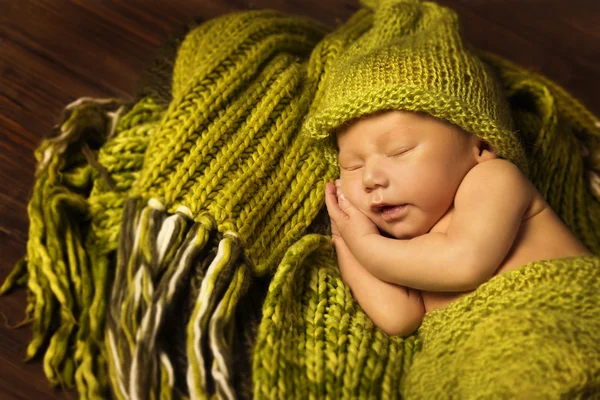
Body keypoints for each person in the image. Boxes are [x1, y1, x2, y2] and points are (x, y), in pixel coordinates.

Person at [324, 108, 593, 336]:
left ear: (482, 147)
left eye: (399, 151)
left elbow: (465, 263)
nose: (370, 178)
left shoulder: (493, 179)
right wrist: (344, 231)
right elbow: (399, 318)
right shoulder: (399, 251)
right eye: (352, 166)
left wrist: (363, 242)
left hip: (564, 323)